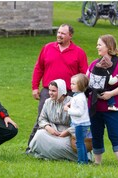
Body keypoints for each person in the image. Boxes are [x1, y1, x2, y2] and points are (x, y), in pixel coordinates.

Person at [27, 23, 89, 151]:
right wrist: (34, 87)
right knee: (42, 118)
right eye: (58, 32)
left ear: (70, 36)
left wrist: (83, 95)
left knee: (73, 121)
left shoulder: (79, 53)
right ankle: (31, 147)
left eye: (63, 33)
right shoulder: (47, 48)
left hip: (70, 94)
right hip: (48, 91)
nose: (59, 35)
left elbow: (84, 75)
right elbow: (39, 68)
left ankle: (75, 150)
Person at [86, 34, 118, 167]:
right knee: (96, 134)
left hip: (113, 108)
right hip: (95, 106)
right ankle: (97, 162)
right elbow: (86, 80)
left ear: (108, 46)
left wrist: (111, 93)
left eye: (100, 44)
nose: (97, 47)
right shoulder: (94, 63)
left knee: (115, 134)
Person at [28, 79, 78, 161]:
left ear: (61, 91)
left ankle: (54, 154)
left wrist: (66, 132)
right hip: (52, 131)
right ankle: (55, 154)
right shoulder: (48, 102)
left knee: (63, 145)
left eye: (54, 91)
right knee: (39, 135)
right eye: (49, 90)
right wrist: (48, 127)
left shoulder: (72, 102)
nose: (50, 93)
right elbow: (42, 118)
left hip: (69, 134)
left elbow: (78, 122)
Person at [64, 74, 91, 164]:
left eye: (73, 84)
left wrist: (68, 109)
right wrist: (69, 103)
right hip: (81, 123)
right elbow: (74, 99)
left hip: (80, 124)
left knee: (79, 143)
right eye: (71, 83)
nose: (71, 85)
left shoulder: (79, 98)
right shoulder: (78, 95)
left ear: (80, 85)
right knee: (80, 142)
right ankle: (84, 160)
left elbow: (79, 112)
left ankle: (82, 161)